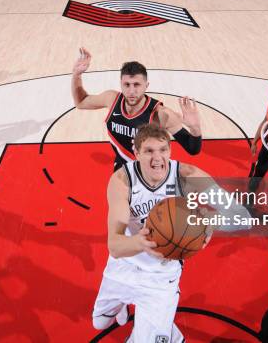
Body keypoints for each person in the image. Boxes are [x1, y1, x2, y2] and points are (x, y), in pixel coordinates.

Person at [92, 123, 250, 341]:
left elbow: (243, 217)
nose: (157, 158)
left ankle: (169, 336)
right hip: (124, 266)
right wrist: (142, 242)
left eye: (163, 150)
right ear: (136, 154)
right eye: (149, 151)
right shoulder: (122, 181)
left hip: (161, 277)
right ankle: (126, 308)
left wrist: (211, 222)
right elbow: (115, 246)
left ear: (170, 151)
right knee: (99, 322)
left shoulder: (188, 176)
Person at [71, 48, 202, 171]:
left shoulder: (161, 114)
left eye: (137, 85)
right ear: (120, 84)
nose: (131, 91)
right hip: (123, 170)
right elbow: (81, 102)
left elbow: (192, 149)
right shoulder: (111, 99)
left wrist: (195, 128)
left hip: (152, 174)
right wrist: (76, 75)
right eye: (127, 85)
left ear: (146, 85)